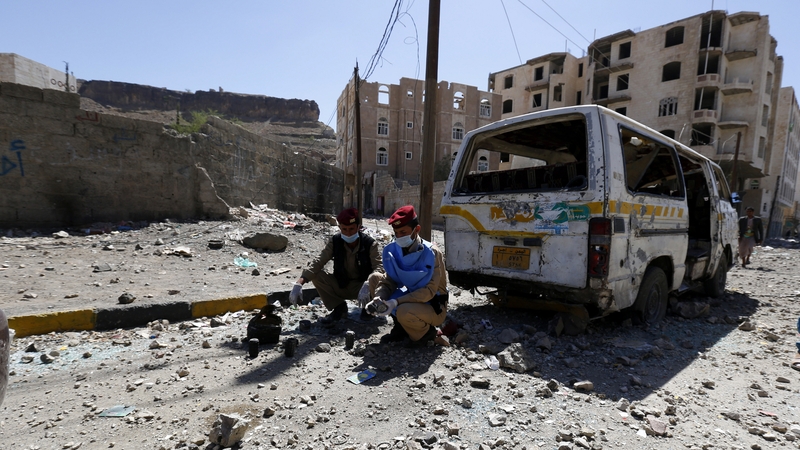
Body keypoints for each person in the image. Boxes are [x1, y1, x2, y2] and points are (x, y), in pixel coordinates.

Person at [366, 205, 449, 348]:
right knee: (375, 279)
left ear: (416, 230)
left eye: (403, 232)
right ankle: (401, 328)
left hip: (432, 304)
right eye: (396, 232)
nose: (399, 237)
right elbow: (389, 279)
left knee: (404, 311)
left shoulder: (432, 253)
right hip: (410, 298)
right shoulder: (395, 249)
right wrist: (378, 297)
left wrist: (396, 302)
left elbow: (429, 292)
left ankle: (427, 334)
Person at [289, 207, 383, 324]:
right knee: (316, 274)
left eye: (352, 229)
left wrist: (368, 284)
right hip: (341, 284)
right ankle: (339, 307)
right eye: (344, 229)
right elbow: (318, 261)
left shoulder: (370, 244)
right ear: (339, 228)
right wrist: (299, 283)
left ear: (359, 227)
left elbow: (379, 267)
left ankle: (368, 308)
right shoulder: (335, 241)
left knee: (377, 276)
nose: (348, 233)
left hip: (362, 288)